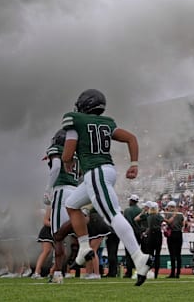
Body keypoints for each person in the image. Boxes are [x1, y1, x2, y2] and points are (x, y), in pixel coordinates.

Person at [61, 89, 152, 286]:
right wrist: (134, 164)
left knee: (113, 215)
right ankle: (84, 246)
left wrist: (67, 161)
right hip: (105, 171)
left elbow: (67, 154)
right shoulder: (107, 122)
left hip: (95, 171)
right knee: (71, 204)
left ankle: (139, 257)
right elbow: (131, 138)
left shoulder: (75, 120)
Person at [45, 129, 79, 284]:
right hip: (75, 191)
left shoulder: (57, 149)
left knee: (58, 237)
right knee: (69, 232)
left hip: (62, 191)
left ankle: (58, 273)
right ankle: (64, 269)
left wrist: (48, 189)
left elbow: (57, 166)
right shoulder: (76, 155)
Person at [122, 195, 142, 278]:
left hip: (128, 233)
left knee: (128, 253)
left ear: (131, 201)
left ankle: (129, 272)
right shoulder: (140, 210)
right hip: (138, 233)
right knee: (137, 252)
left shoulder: (126, 210)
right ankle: (138, 271)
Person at [164, 201, 184, 278]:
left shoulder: (168, 214)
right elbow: (183, 224)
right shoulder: (180, 214)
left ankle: (172, 273)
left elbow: (168, 223)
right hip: (179, 233)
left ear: (169, 206)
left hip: (171, 234)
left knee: (172, 254)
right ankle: (178, 273)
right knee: (178, 254)